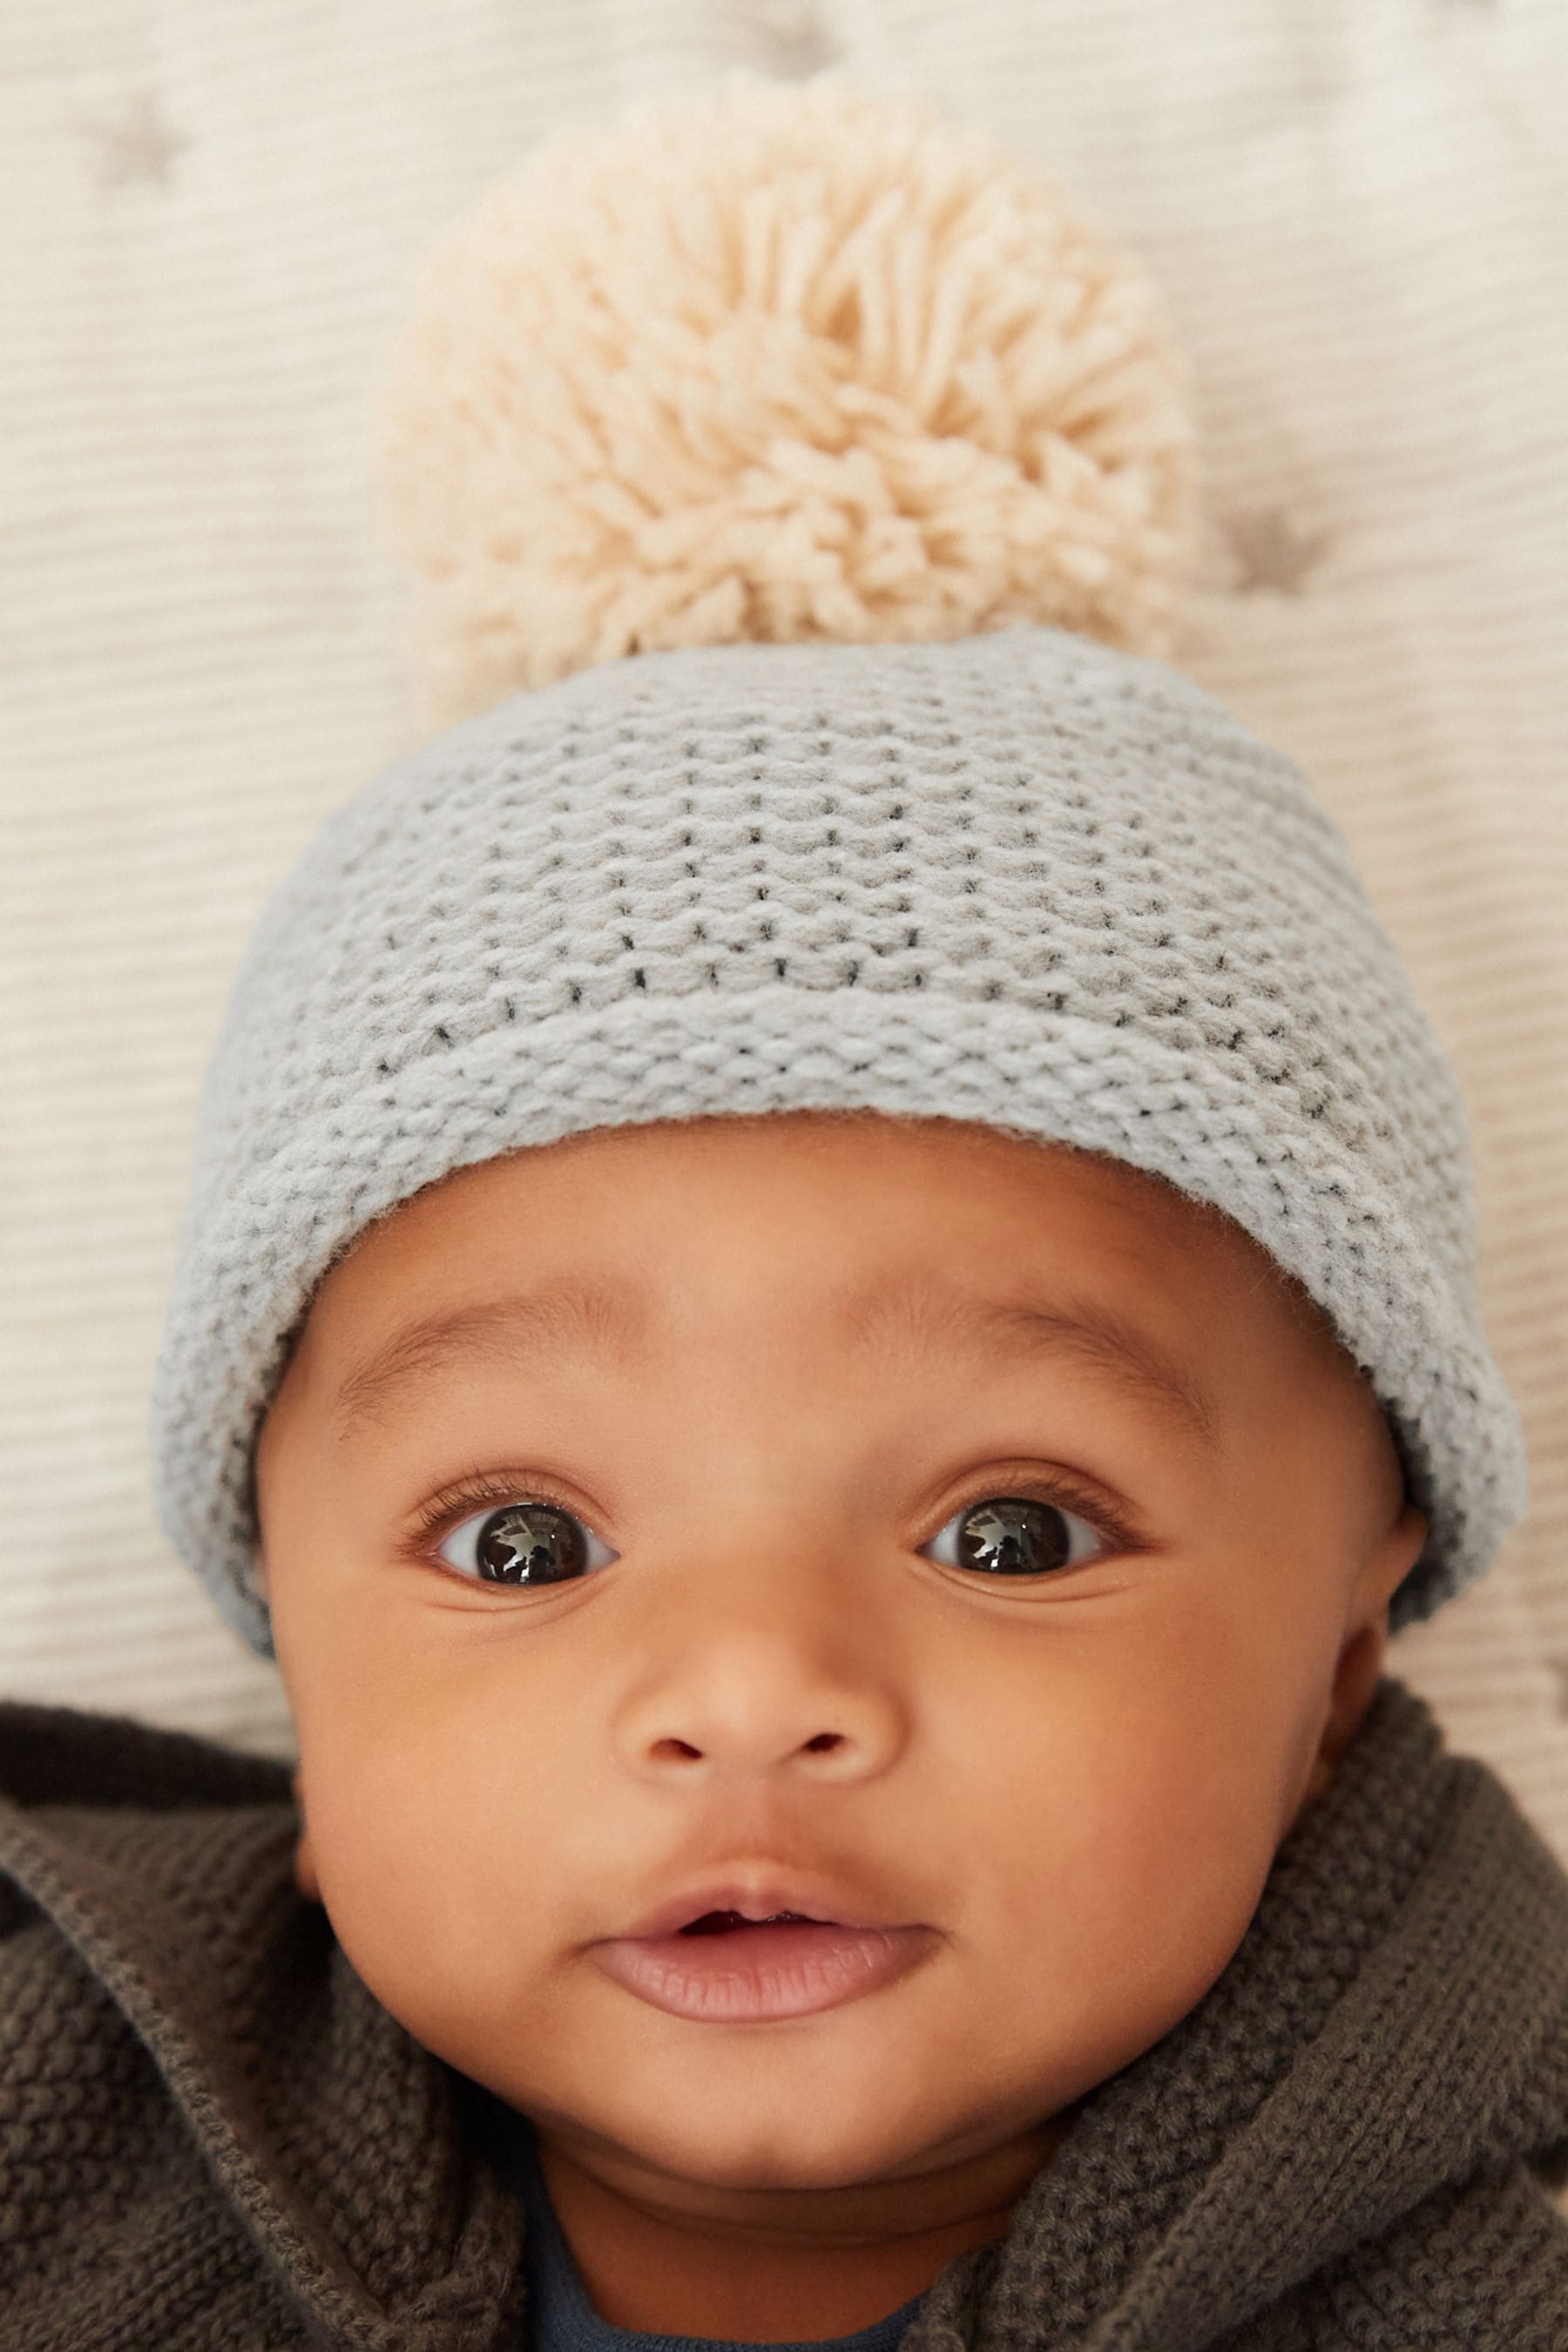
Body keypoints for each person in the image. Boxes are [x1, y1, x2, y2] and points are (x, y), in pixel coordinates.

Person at [4, 69, 1567, 2352]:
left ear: (1339, 1656)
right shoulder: (66, 2155)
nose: (753, 1693)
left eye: (1011, 1531)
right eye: (520, 1542)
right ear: (293, 1654)